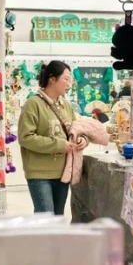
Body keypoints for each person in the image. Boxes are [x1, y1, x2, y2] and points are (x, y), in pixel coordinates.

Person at [18, 61, 87, 216]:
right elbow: (25, 138)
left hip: (63, 173)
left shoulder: (66, 106)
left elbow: (75, 130)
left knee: (57, 218)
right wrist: (59, 145)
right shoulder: (33, 104)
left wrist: (82, 139)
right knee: (45, 219)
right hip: (39, 174)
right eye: (66, 79)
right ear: (52, 79)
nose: (69, 84)